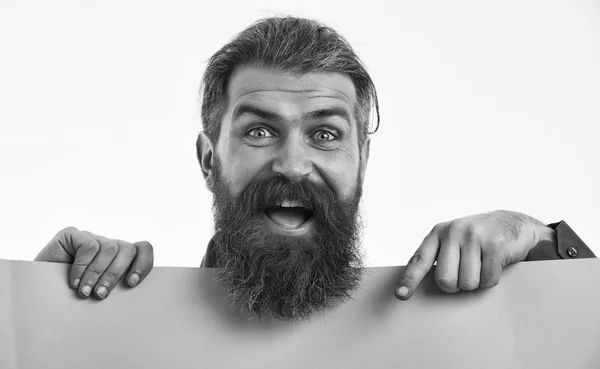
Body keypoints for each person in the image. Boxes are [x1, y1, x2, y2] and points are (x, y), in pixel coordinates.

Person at [33, 17, 596, 321]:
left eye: (325, 134)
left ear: (362, 161)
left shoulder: (446, 330)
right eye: (258, 131)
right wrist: (35, 315)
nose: (293, 164)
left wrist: (543, 242)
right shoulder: (119, 324)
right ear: (209, 160)